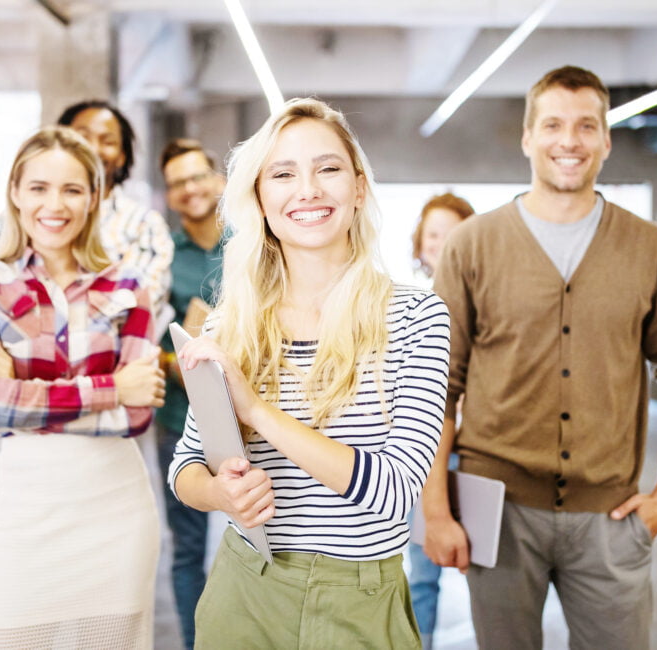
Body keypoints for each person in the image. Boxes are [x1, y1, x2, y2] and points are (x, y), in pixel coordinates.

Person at [424, 65, 657, 650]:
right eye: (553, 124)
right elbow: (435, 389)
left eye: (587, 126)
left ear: (606, 140)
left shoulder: (650, 249)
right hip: (495, 506)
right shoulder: (472, 245)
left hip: (610, 514)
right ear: (528, 137)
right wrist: (436, 511)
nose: (569, 141)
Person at [168, 98, 450, 648]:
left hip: (362, 601)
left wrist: (255, 412)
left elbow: (393, 493)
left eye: (327, 168)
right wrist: (222, 496)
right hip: (245, 592)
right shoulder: (231, 325)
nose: (308, 190)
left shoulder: (417, 317)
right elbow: (185, 467)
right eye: (283, 173)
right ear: (260, 199)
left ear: (359, 188)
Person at [0, 126, 166, 648]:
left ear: (94, 198)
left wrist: (23, 391)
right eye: (39, 188)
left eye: (72, 189)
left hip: (116, 510)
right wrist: (112, 386)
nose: (56, 204)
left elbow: (137, 415)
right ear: (16, 193)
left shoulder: (128, 286)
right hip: (28, 512)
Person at [0, 100, 174, 321]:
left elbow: (135, 314)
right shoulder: (25, 213)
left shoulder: (144, 224)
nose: (93, 148)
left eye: (107, 141)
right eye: (83, 136)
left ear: (122, 156)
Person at [156, 137, 225, 650]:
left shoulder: (255, 244)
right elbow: (145, 346)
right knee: (187, 550)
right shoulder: (162, 259)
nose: (190, 189)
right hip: (182, 419)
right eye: (177, 182)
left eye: (197, 176)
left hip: (257, 414)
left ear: (219, 180)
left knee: (271, 532)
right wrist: (175, 362)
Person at [406, 192, 474, 649]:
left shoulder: (488, 303)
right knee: (421, 575)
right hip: (421, 459)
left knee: (488, 576)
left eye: (453, 233)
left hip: (475, 456)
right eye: (434, 234)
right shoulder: (406, 304)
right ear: (420, 242)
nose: (442, 243)